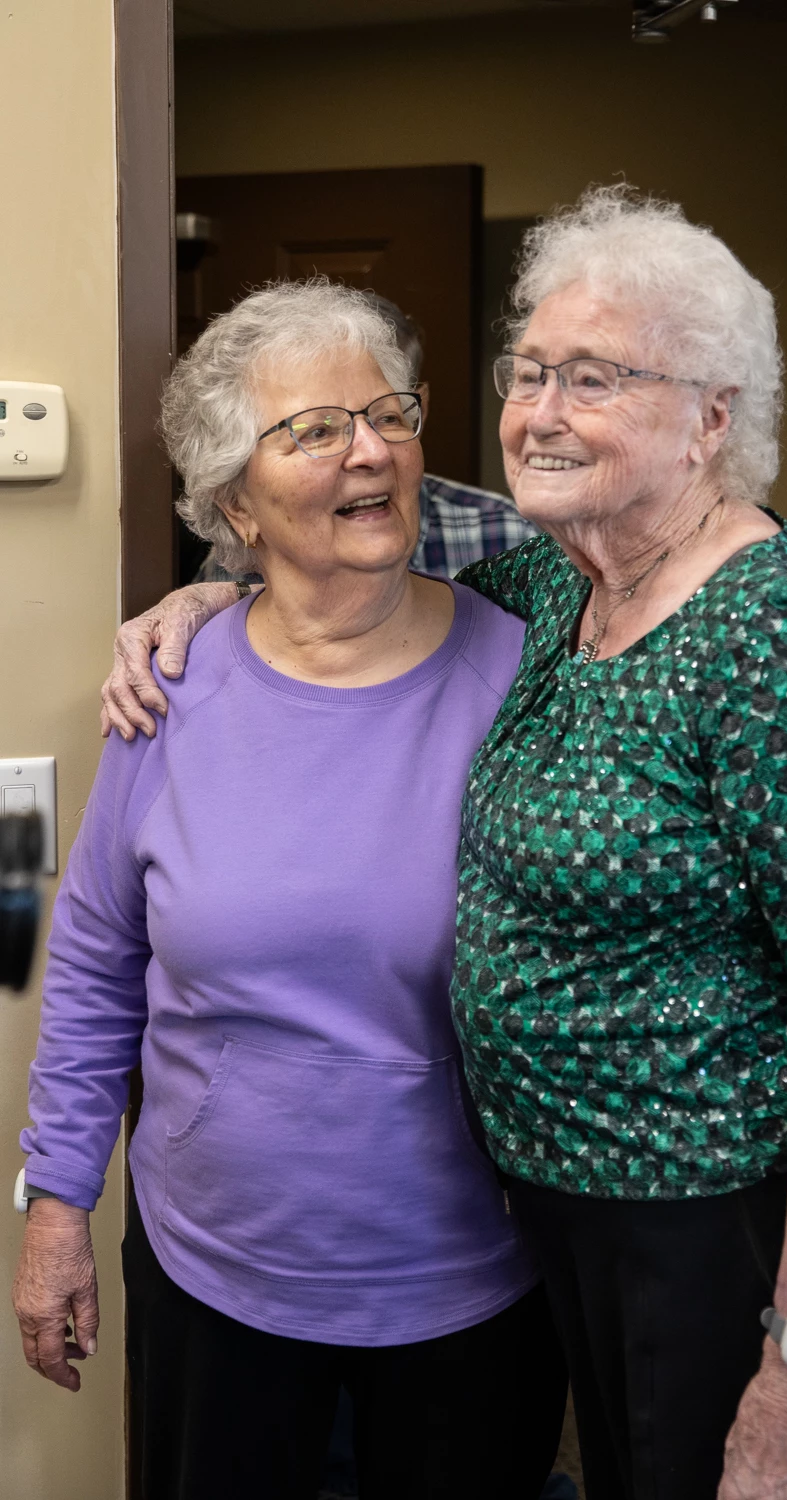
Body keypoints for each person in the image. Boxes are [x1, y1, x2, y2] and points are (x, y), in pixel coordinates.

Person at [96, 186, 787, 1500]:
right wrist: (214, 585)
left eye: (593, 379)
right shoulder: (555, 577)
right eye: (527, 371)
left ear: (714, 417)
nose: (538, 412)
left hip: (719, 1230)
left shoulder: (767, 638)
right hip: (560, 1227)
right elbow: (340, 523)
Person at [11, 281, 567, 1500]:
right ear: (233, 506)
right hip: (211, 1271)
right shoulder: (167, 686)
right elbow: (99, 960)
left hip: (466, 1281)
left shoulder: (528, 677)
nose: (368, 449)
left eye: (388, 413)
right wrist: (57, 1206)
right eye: (313, 429)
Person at [190, 293, 537, 589]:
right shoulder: (223, 585)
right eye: (320, 431)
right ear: (237, 506)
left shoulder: (515, 539)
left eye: (387, 417)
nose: (376, 451)